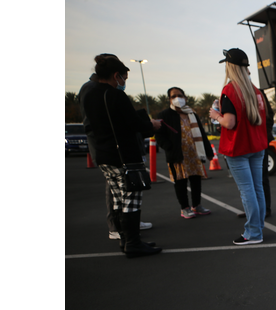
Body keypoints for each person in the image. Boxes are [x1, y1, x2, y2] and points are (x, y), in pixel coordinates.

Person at [82, 57, 162, 258]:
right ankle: (133, 243)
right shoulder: (115, 95)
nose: (124, 82)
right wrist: (152, 125)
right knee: (131, 200)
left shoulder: (89, 95)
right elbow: (134, 124)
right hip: (124, 156)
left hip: (103, 154)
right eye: (124, 78)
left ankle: (125, 240)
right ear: (116, 75)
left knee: (118, 199)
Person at [209, 48, 269, 245]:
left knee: (248, 191)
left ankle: (253, 233)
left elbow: (229, 122)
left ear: (230, 67)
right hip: (256, 146)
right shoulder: (256, 91)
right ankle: (257, 229)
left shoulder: (230, 90)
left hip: (238, 147)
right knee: (257, 189)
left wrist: (215, 115)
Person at [155, 87, 215, 219]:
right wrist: (169, 147)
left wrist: (208, 151)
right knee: (180, 182)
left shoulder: (192, 114)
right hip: (177, 155)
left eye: (180, 95)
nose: (177, 98)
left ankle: (197, 205)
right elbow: (159, 135)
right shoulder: (164, 115)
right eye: (173, 96)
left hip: (194, 154)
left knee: (196, 181)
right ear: (169, 100)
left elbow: (202, 134)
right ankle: (185, 208)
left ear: (185, 98)